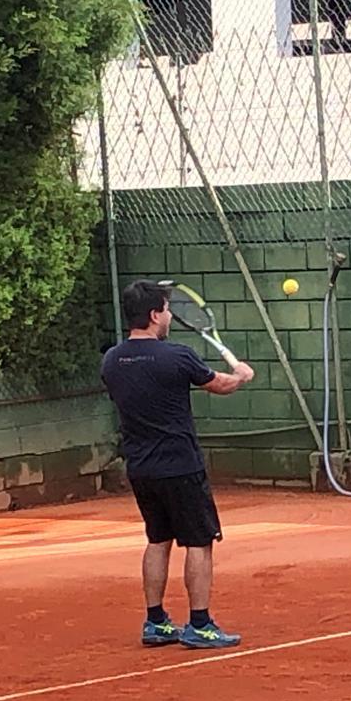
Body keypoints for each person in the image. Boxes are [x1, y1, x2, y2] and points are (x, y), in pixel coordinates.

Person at [100, 279, 255, 650]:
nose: (170, 316)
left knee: (158, 539)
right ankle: (199, 625)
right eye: (167, 310)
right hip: (181, 467)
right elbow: (219, 385)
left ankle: (155, 622)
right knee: (199, 542)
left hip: (140, 469)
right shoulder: (177, 356)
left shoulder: (111, 361)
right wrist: (241, 376)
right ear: (155, 315)